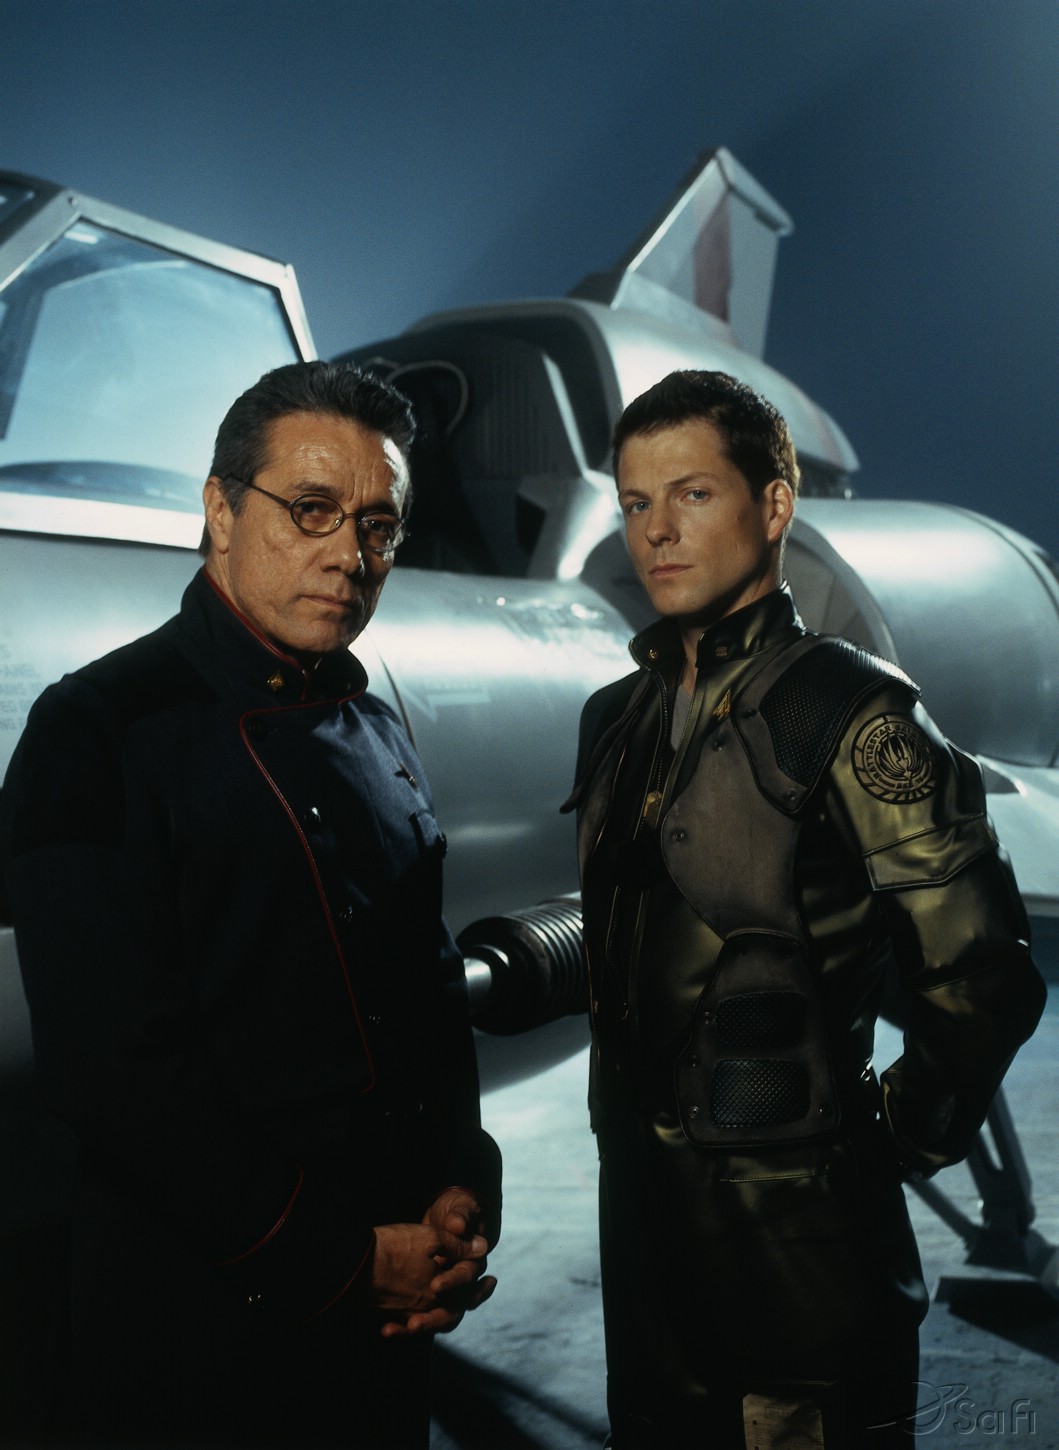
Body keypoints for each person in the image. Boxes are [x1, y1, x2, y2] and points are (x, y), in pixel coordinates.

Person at [0, 361, 501, 1448]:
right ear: (220, 511)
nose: (348, 554)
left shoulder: (374, 724)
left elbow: (423, 989)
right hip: (199, 1332)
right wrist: (340, 1259)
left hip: (388, 1313)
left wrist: (460, 1181)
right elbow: (111, 1073)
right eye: (310, 509)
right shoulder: (95, 731)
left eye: (378, 524)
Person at [563, 370, 1045, 1448]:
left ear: (774, 504)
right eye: (635, 503)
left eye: (692, 494)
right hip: (645, 1250)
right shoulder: (616, 719)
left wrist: (889, 1142)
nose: (656, 531)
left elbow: (981, 978)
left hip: (800, 1260)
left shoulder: (852, 713)